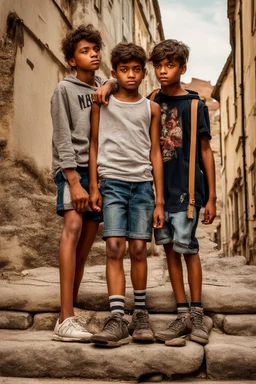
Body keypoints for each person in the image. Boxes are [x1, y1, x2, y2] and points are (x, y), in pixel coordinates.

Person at [89, 42, 165, 347]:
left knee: (137, 250)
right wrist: (94, 185)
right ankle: (118, 318)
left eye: (136, 69)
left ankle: (141, 315)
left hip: (143, 186)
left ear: (144, 73)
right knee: (114, 247)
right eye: (123, 70)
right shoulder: (102, 102)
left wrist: (159, 200)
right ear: (114, 72)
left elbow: (155, 152)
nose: (130, 75)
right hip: (112, 184)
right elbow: (94, 142)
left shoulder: (152, 108)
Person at [51, 24, 117, 342]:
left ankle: (71, 308)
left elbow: (121, 84)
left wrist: (112, 83)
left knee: (88, 240)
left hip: (98, 172)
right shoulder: (64, 90)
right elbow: (62, 138)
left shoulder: (104, 85)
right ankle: (65, 318)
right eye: (84, 51)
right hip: (72, 170)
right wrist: (74, 182)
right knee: (73, 230)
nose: (92, 54)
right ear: (71, 60)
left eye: (95, 49)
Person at [148, 39, 216, 345]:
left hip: (187, 191)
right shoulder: (149, 100)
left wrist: (212, 197)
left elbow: (205, 151)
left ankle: (198, 314)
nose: (163, 71)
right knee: (169, 249)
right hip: (158, 191)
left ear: (182, 68)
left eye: (170, 65)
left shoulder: (194, 105)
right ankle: (182, 314)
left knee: (188, 249)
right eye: (158, 65)